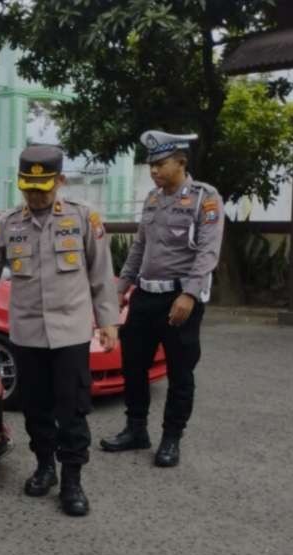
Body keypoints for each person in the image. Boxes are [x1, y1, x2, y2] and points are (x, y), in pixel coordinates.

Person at [0, 145, 119, 516]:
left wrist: (108, 322)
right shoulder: (8, 224)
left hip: (70, 334)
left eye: (43, 187)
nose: (35, 195)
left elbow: (101, 274)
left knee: (72, 410)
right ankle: (44, 467)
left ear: (60, 182)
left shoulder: (83, 218)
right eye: (29, 188)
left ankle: (72, 480)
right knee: (35, 407)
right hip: (27, 335)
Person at [100, 130, 224, 467]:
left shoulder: (205, 197)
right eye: (151, 164)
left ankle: (171, 438)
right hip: (145, 296)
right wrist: (120, 289)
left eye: (160, 163)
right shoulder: (153, 199)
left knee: (180, 372)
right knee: (133, 366)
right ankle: (136, 429)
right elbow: (139, 248)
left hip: (179, 299)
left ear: (181, 162)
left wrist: (189, 294)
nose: (154, 170)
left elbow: (209, 251)